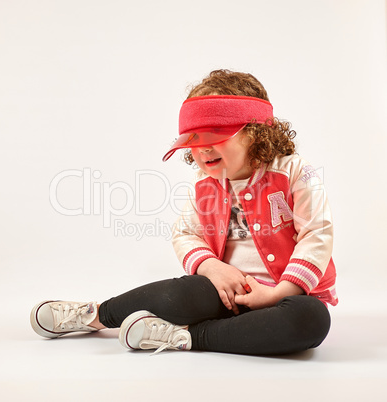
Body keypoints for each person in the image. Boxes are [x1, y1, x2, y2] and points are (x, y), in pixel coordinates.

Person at [30, 69, 338, 356]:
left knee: (311, 321)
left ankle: (187, 336)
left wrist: (278, 293)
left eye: (215, 135)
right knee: (178, 294)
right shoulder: (205, 184)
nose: (203, 149)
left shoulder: (294, 172)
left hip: (288, 297)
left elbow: (317, 233)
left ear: (255, 132)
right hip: (226, 291)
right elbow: (185, 233)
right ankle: (95, 315)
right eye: (194, 140)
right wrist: (212, 268)